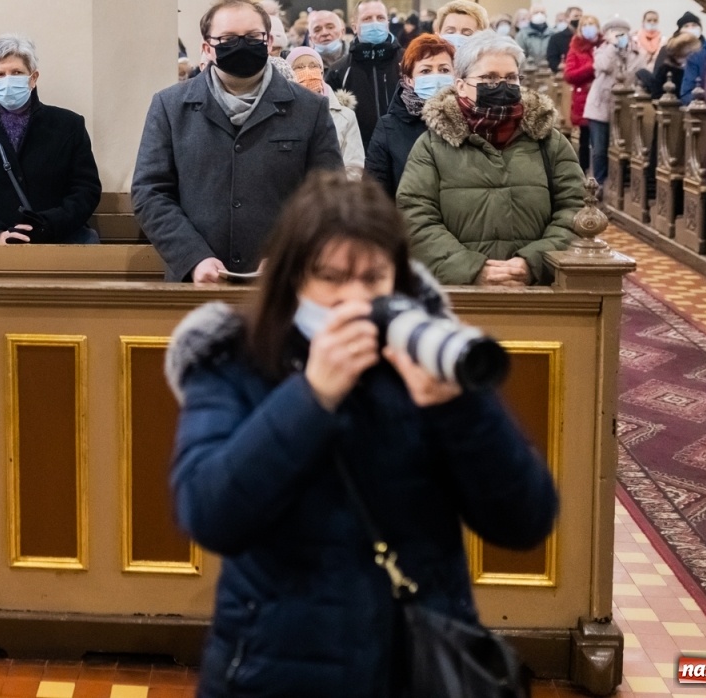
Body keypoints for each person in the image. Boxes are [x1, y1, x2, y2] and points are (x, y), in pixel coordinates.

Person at [167, 172, 558, 698]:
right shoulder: (233, 360)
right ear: (292, 280)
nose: (353, 300)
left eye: (372, 279)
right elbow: (209, 512)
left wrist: (461, 410)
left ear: (397, 279)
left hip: (414, 661)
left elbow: (524, 520)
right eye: (330, 278)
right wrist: (311, 397)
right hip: (275, 665)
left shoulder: (428, 353)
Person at [133, 0, 343, 283]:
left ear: (269, 42)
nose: (242, 46)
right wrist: (193, 256)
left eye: (253, 36)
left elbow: (329, 197)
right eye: (228, 39)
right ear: (207, 48)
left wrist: (291, 254)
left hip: (283, 283)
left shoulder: (310, 109)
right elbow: (150, 192)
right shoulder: (170, 107)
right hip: (198, 281)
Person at [398, 33, 585, 286]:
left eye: (510, 78)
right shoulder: (432, 145)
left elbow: (574, 210)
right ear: (460, 85)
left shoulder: (550, 142)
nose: (502, 86)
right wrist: (472, 269)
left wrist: (533, 263)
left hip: (537, 292)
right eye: (489, 78)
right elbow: (416, 217)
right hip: (460, 293)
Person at [0, 35, 102, 244]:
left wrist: (49, 224)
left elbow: (86, 190)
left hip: (60, 243)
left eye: (17, 72)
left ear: (33, 77)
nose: (8, 80)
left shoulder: (68, 125)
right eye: (0, 74)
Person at [365, 33, 455, 198]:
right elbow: (375, 194)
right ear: (408, 80)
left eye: (444, 70)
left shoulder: (470, 120)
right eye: (425, 71)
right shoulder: (389, 128)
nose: (435, 77)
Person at [326, 0, 401, 145]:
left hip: (404, 156)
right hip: (359, 156)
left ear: (387, 23)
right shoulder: (339, 70)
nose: (375, 23)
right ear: (354, 27)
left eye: (380, 17)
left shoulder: (407, 62)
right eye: (367, 19)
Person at [286, 46, 363, 176]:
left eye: (313, 66)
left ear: (322, 72)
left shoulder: (345, 116)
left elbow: (354, 166)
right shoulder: (281, 114)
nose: (307, 71)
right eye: (299, 67)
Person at [583, 18, 635, 186]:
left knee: (621, 148)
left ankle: (617, 184)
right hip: (600, 106)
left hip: (625, 107)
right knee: (599, 149)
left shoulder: (635, 53)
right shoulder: (601, 51)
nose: (620, 37)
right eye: (616, 34)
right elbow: (603, 65)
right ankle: (598, 184)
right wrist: (613, 47)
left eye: (623, 34)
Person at [562, 13, 600, 171]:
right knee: (586, 139)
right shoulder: (575, 48)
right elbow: (569, 75)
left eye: (592, 24)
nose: (589, 28)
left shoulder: (603, 46)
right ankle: (583, 173)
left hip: (601, 97)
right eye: (585, 25)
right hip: (583, 97)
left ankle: (599, 175)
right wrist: (591, 67)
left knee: (599, 141)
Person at [641, 15, 704, 99]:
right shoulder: (667, 63)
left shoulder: (705, 51)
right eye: (686, 26)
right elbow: (657, 89)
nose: (691, 28)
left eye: (694, 25)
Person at [546, 6, 583, 71]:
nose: (579, 19)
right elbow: (552, 61)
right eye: (576, 16)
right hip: (563, 74)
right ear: (567, 18)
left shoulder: (585, 37)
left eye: (581, 16)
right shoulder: (556, 38)